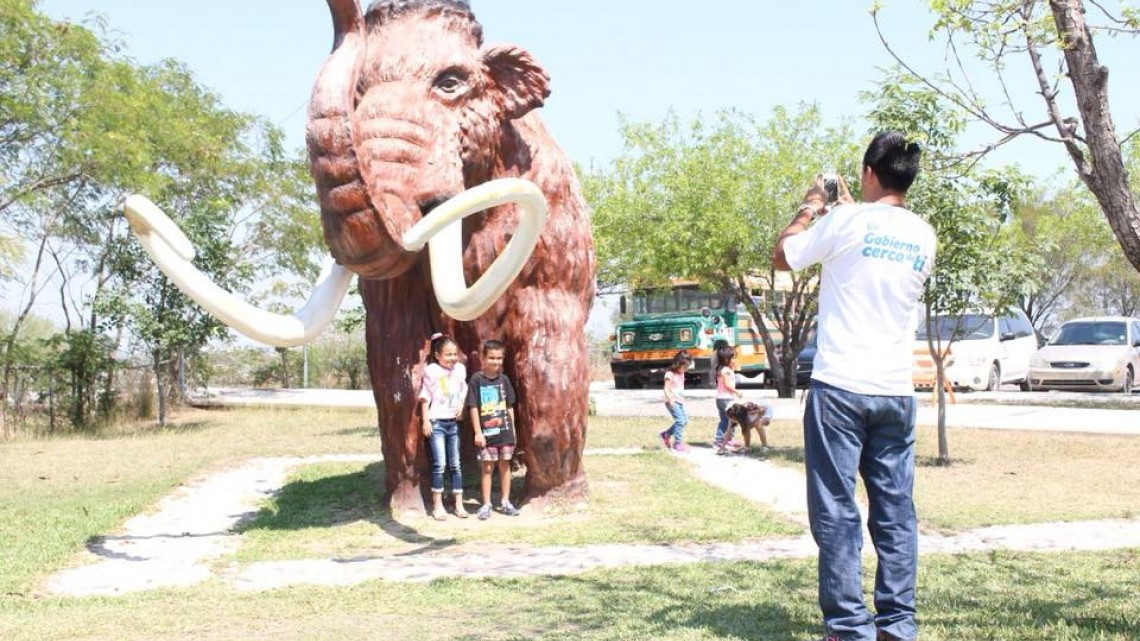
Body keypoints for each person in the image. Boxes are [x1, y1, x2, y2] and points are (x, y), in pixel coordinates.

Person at [771, 131, 936, 641]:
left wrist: (811, 205)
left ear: (868, 172)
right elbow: (872, 255)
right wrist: (846, 210)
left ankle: (847, 626)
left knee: (837, 509)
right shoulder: (924, 235)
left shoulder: (843, 221)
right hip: (894, 392)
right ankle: (897, 624)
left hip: (840, 389)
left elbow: (783, 255)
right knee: (894, 512)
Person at [466, 339, 521, 520]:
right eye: (491, 358)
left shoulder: (504, 380)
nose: (496, 362)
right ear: (483, 358)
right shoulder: (476, 380)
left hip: (504, 432)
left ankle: (505, 502)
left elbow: (509, 406)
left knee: (505, 467)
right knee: (487, 468)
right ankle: (486, 504)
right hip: (486, 434)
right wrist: (477, 432)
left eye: (499, 358)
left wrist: (512, 430)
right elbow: (473, 406)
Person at [419, 333, 469, 521]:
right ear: (438, 355)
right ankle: (437, 504)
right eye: (448, 355)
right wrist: (425, 420)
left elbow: (463, 389)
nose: (452, 358)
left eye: (454, 354)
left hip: (453, 423)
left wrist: (462, 406)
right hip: (437, 423)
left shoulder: (460, 370)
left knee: (455, 464)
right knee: (440, 464)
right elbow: (425, 397)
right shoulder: (432, 371)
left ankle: (458, 504)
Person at [659, 350, 692, 452]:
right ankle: (677, 443)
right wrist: (671, 399)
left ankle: (666, 434)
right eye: (685, 367)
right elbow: (666, 388)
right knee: (680, 421)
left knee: (684, 421)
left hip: (680, 401)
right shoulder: (669, 374)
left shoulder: (681, 374)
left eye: (687, 367)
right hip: (672, 401)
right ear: (678, 364)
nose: (686, 369)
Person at [713, 345, 744, 454]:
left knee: (725, 420)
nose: (734, 360)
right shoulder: (725, 370)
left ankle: (724, 439)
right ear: (727, 359)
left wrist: (733, 367)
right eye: (732, 358)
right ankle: (722, 439)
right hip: (726, 399)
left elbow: (737, 369)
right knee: (731, 419)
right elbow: (727, 384)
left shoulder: (723, 369)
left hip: (721, 398)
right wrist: (737, 392)